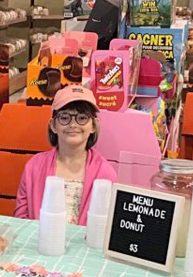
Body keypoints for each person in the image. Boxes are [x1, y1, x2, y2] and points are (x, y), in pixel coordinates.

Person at [14, 86, 117, 225]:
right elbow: (20, 219)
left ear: (93, 125)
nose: (73, 124)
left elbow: (109, 225)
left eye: (82, 117)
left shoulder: (105, 173)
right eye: (64, 117)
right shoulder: (34, 167)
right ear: (53, 125)